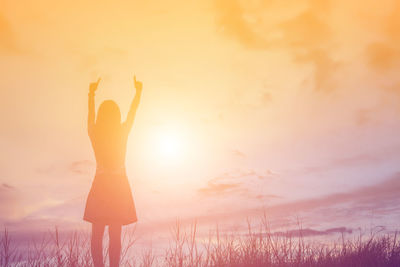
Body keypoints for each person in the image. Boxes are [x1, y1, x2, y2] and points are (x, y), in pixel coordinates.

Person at [83, 76, 142, 267]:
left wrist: (91, 95)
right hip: (118, 187)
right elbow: (132, 113)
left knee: (97, 234)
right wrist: (138, 93)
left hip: (101, 185)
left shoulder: (95, 132)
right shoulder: (121, 132)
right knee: (115, 234)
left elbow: (90, 116)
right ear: (117, 115)